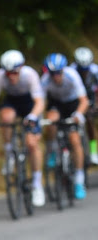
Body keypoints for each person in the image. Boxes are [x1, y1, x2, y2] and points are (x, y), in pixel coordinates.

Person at [0, 49, 47, 207]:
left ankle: (37, 184)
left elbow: (39, 101)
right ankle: (9, 152)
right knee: (6, 118)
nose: (11, 76)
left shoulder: (30, 75)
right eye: (8, 73)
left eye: (14, 72)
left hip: (30, 104)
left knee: (32, 143)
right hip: (12, 102)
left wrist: (33, 116)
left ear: (21, 67)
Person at [42, 52, 89, 199]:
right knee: (51, 121)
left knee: (75, 140)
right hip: (57, 104)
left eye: (58, 72)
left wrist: (79, 115)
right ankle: (52, 149)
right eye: (52, 73)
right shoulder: (45, 81)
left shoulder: (72, 75)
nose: (55, 76)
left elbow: (84, 100)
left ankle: (79, 181)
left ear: (63, 70)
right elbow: (40, 102)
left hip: (73, 104)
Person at [71, 46, 98, 165]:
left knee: (89, 120)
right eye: (81, 69)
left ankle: (93, 152)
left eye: (85, 69)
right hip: (75, 99)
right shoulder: (71, 70)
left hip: (91, 98)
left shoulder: (95, 71)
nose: (84, 72)